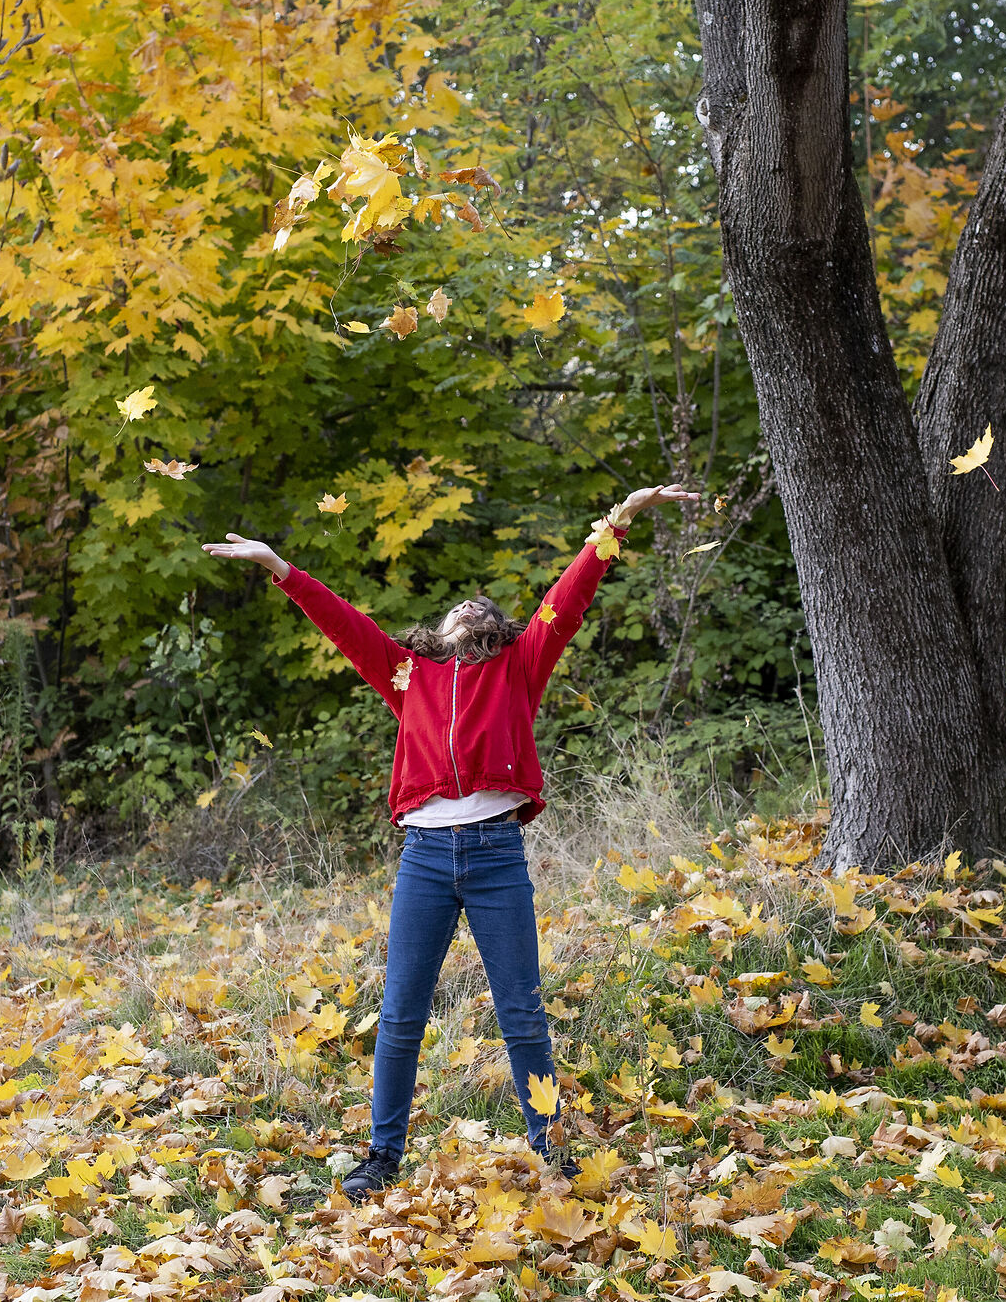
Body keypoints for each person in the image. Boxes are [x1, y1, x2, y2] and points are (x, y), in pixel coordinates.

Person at [201, 482, 699, 1197]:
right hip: (426, 861)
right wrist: (281, 566)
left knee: (522, 1012)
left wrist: (618, 519)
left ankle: (551, 1150)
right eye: (459, 605)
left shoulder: (519, 667)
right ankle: (382, 1158)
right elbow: (344, 624)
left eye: (484, 608)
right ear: (439, 629)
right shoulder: (409, 675)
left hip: (497, 855)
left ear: (494, 631)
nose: (471, 604)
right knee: (401, 1012)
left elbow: (570, 595)